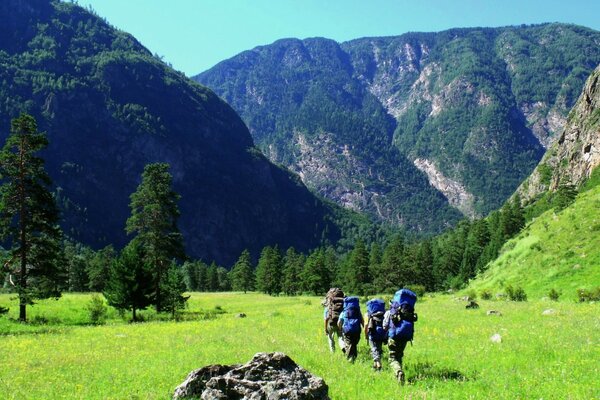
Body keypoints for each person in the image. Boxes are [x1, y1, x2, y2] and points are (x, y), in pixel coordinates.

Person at [383, 289, 418, 384]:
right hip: (405, 335)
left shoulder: (392, 311)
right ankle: (399, 379)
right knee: (399, 355)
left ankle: (399, 372)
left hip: (394, 335)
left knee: (392, 358)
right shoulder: (408, 310)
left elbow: (385, 325)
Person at [337, 296, 364, 362]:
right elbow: (362, 321)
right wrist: (364, 329)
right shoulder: (358, 312)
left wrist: (340, 329)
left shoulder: (344, 312)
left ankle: (350, 359)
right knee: (354, 344)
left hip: (347, 330)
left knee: (348, 344)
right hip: (357, 330)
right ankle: (353, 357)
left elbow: (339, 322)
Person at [365, 298, 387, 370]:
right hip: (382, 333)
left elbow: (366, 325)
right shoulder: (384, 313)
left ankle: (378, 363)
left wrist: (366, 335)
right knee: (379, 349)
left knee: (373, 348)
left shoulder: (368, 314)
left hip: (373, 332)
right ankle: (375, 367)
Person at [322, 288, 345, 353]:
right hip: (340, 324)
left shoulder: (328, 307)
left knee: (330, 338)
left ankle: (332, 352)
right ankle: (343, 346)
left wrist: (325, 329)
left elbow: (326, 319)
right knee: (340, 337)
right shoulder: (341, 305)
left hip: (331, 324)